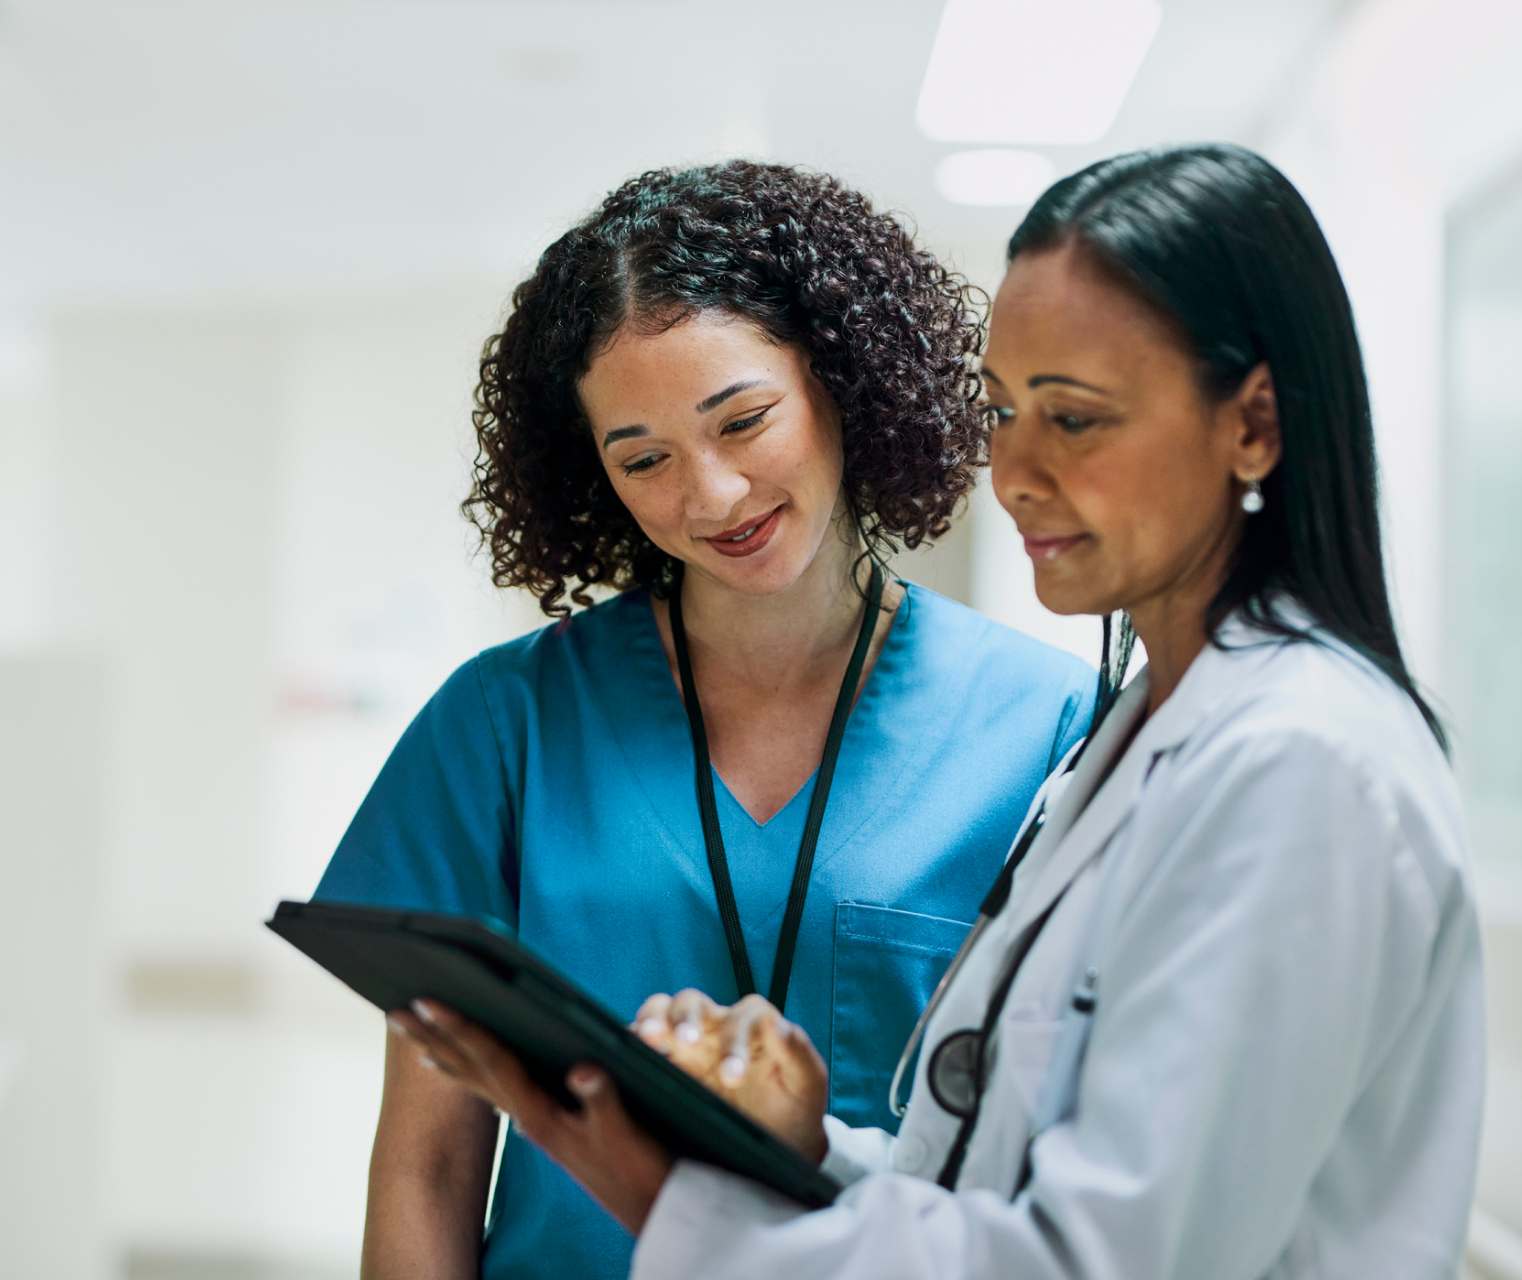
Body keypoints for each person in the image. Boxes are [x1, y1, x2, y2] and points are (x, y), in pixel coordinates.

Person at [392, 145, 1487, 1279]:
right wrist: (800, 1147)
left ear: (1251, 425)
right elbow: (984, 1179)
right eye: (1005, 408)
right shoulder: (1145, 743)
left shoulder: (1295, 765)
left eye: (1074, 417)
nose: (1012, 470)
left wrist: (666, 1191)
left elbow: (1097, 1258)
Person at [315, 160, 1096, 1280]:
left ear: (843, 382)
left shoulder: (1047, 723)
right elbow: (427, 1164)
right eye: (644, 458)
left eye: (745, 419)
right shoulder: (503, 725)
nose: (712, 495)